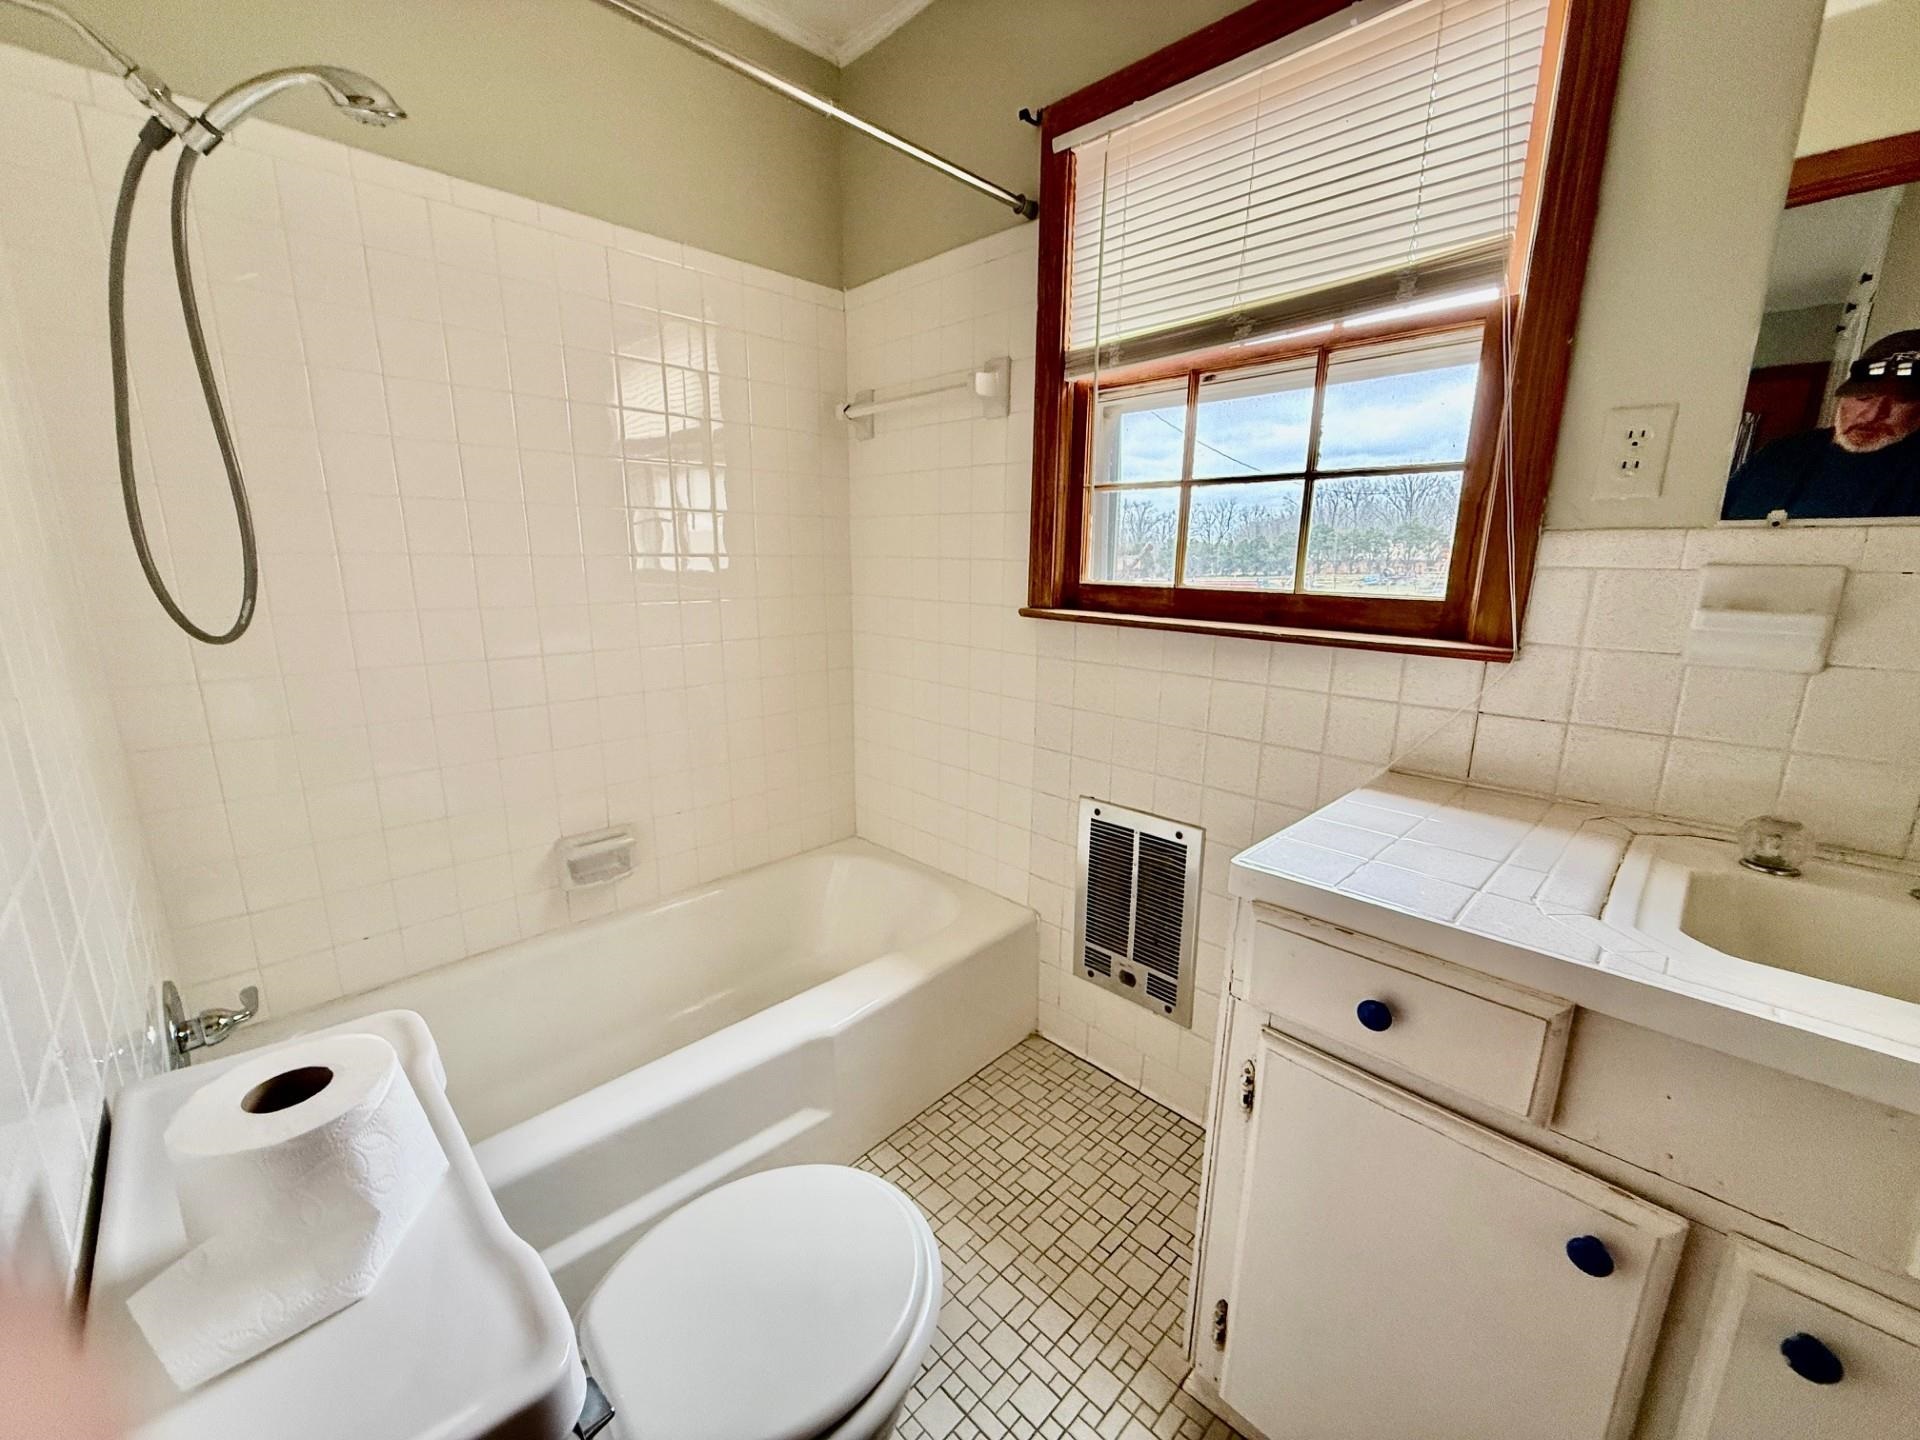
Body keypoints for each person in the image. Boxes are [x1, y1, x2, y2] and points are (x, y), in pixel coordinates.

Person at [1723, 329, 1920, 519]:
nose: (1872, 414)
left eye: (1902, 400)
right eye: (1863, 396)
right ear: (1843, 397)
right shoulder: (1779, 454)